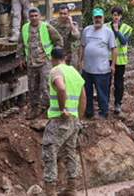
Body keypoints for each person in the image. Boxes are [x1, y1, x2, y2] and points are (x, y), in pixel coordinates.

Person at [41, 47, 87, 196]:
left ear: (52, 58)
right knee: (70, 153)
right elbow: (83, 97)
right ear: (65, 57)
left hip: (59, 120)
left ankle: (50, 191)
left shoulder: (56, 70)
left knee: (49, 151)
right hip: (73, 120)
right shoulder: (74, 72)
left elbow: (61, 88)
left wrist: (62, 109)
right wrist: (78, 117)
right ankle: (71, 188)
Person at [18, 7, 64, 118]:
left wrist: (55, 55)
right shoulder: (25, 28)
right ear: (29, 18)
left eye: (36, 16)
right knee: (32, 87)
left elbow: (59, 40)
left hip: (45, 62)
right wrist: (21, 58)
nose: (34, 18)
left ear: (39, 16)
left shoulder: (46, 27)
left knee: (46, 87)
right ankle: (34, 109)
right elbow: (20, 44)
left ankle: (49, 109)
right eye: (31, 16)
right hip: (31, 62)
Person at [77, 7, 118, 119]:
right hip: (87, 69)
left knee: (102, 93)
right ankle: (89, 112)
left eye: (100, 17)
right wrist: (80, 61)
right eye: (96, 17)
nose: (98, 19)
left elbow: (114, 49)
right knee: (87, 92)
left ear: (103, 18)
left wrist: (113, 65)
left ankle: (103, 113)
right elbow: (82, 46)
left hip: (102, 70)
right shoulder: (87, 30)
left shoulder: (108, 32)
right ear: (93, 18)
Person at [109, 6, 134, 115]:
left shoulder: (127, 28)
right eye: (114, 15)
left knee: (119, 83)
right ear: (112, 15)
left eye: (118, 15)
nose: (116, 17)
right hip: (107, 59)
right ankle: (105, 103)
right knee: (106, 82)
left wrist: (117, 31)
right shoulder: (105, 26)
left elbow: (124, 42)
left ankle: (117, 104)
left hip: (121, 60)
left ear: (121, 16)